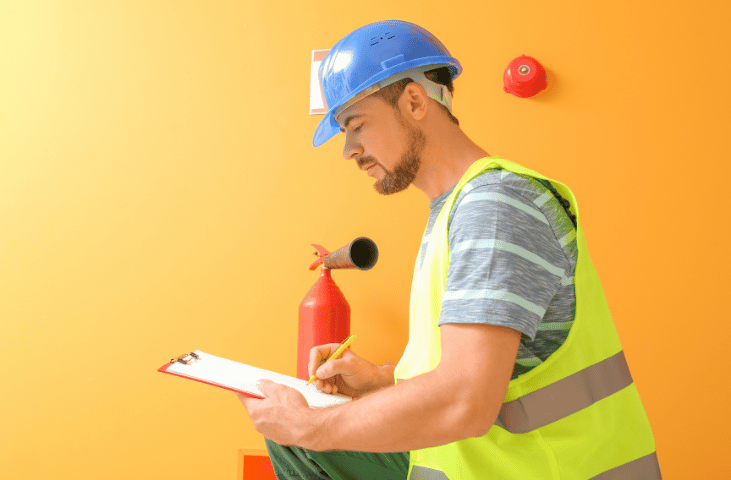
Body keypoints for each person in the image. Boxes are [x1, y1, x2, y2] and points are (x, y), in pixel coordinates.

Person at [238, 20, 661, 480]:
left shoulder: (493, 206)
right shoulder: (456, 210)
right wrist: (383, 380)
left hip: (545, 469)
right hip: (490, 462)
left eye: (356, 125)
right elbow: (484, 371)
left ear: (415, 102)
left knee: (301, 438)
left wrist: (312, 426)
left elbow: (466, 400)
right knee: (294, 443)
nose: (349, 150)